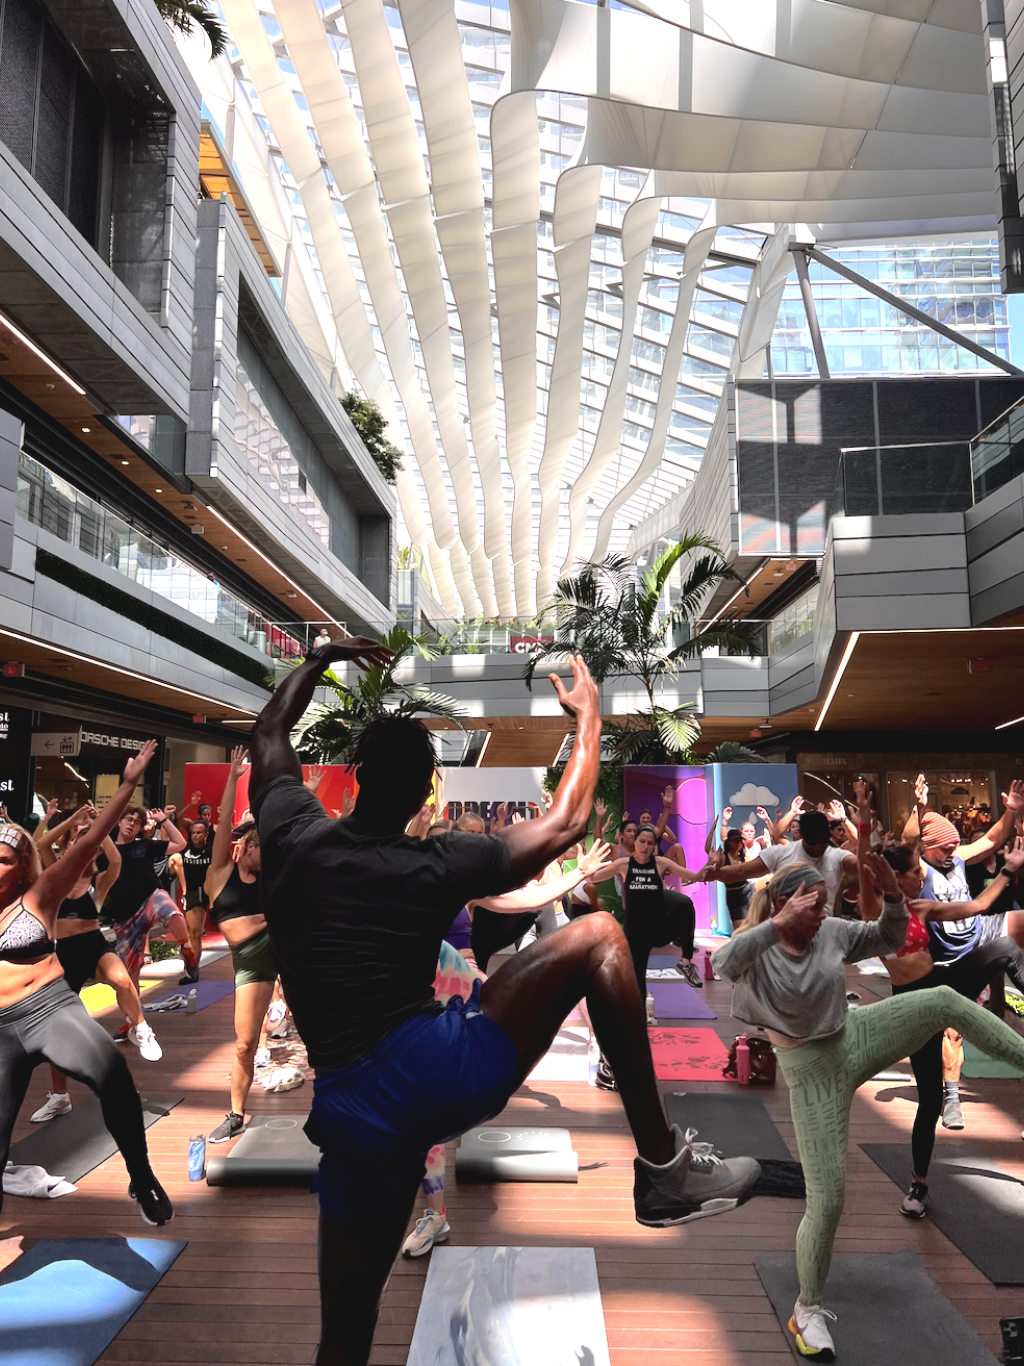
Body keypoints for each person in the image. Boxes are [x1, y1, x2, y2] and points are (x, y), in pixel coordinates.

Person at [248, 641, 761, 1366]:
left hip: (350, 1114)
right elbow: (564, 824)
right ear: (427, 791)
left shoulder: (290, 833)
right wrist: (587, 720)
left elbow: (268, 734)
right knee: (600, 937)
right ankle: (661, 1168)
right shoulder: (434, 861)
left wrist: (321, 658)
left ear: (355, 778)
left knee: (345, 1336)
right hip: (439, 1075)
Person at [714, 860, 1024, 1363]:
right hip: (812, 1073)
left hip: (853, 1035)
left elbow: (887, 936)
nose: (822, 914)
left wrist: (893, 897)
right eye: (812, 905)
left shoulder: (831, 931)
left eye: (825, 904)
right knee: (828, 1199)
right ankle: (807, 1309)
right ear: (784, 903)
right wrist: (776, 922)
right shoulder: (759, 946)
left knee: (943, 998)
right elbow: (725, 962)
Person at [0, 743, 173, 1225]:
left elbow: (90, 838)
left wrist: (129, 785)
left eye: (2, 860)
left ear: (20, 872)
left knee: (113, 1076)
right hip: (0, 1032)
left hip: (47, 1009)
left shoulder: (40, 894)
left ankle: (141, 1177)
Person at [902, 774, 1024, 1127]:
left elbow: (990, 838)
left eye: (955, 844)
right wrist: (920, 806)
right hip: (949, 957)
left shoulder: (955, 859)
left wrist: (1011, 812)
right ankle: (951, 1096)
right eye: (945, 846)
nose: (953, 850)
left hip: (978, 931)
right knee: (953, 1030)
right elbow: (911, 841)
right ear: (928, 848)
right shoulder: (920, 867)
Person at [32, 810, 163, 1123]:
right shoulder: (58, 875)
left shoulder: (99, 883)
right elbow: (41, 844)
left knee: (122, 979)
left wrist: (99, 828)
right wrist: (73, 819)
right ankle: (60, 1097)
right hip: (63, 954)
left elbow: (115, 859)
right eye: (79, 842)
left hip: (93, 946)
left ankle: (141, 1027)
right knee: (58, 1027)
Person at [204, 748, 275, 1144]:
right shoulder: (220, 873)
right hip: (252, 967)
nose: (268, 858)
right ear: (247, 846)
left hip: (285, 953)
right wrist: (233, 778)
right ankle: (235, 1114)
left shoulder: (273, 878)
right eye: (263, 849)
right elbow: (222, 823)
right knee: (245, 1042)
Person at [587, 825, 703, 989]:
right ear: (635, 842)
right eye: (642, 842)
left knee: (685, 903)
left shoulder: (661, 863)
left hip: (658, 926)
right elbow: (592, 879)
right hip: (635, 931)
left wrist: (710, 867)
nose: (646, 847)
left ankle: (686, 962)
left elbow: (694, 875)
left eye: (650, 843)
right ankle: (640, 1011)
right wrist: (588, 868)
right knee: (637, 982)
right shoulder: (623, 864)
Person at [105, 805, 196, 1007]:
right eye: (128, 819)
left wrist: (163, 819)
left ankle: (187, 950)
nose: (132, 824)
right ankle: (132, 1023)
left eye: (137, 822)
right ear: (119, 822)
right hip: (125, 917)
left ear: (140, 829)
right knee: (129, 978)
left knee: (173, 913)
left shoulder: (144, 845)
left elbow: (180, 843)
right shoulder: (108, 850)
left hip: (150, 897)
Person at [708, 809, 858, 917]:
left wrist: (863, 830)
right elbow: (741, 872)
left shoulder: (837, 856)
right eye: (814, 842)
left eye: (822, 842)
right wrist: (714, 872)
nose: (819, 847)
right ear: (802, 835)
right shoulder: (782, 853)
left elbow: (861, 867)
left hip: (822, 932)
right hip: (784, 932)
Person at [170, 818, 213, 976]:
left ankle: (193, 969)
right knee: (193, 932)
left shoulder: (211, 849)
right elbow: (178, 822)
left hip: (207, 891)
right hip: (191, 891)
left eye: (199, 833)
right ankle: (192, 968)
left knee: (196, 933)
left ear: (206, 834)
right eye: (193, 832)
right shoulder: (184, 849)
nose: (195, 835)